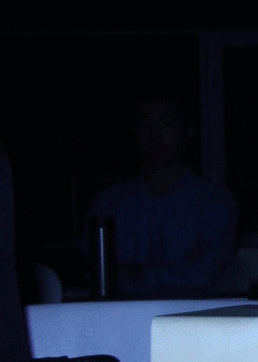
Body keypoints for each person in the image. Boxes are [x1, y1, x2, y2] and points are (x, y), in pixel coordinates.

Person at [84, 96, 238, 294]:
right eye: (144, 125)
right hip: (118, 311)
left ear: (188, 132)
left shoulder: (215, 203)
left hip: (189, 313)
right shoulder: (108, 203)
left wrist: (131, 272)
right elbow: (87, 270)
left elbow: (202, 274)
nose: (154, 136)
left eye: (166, 124)